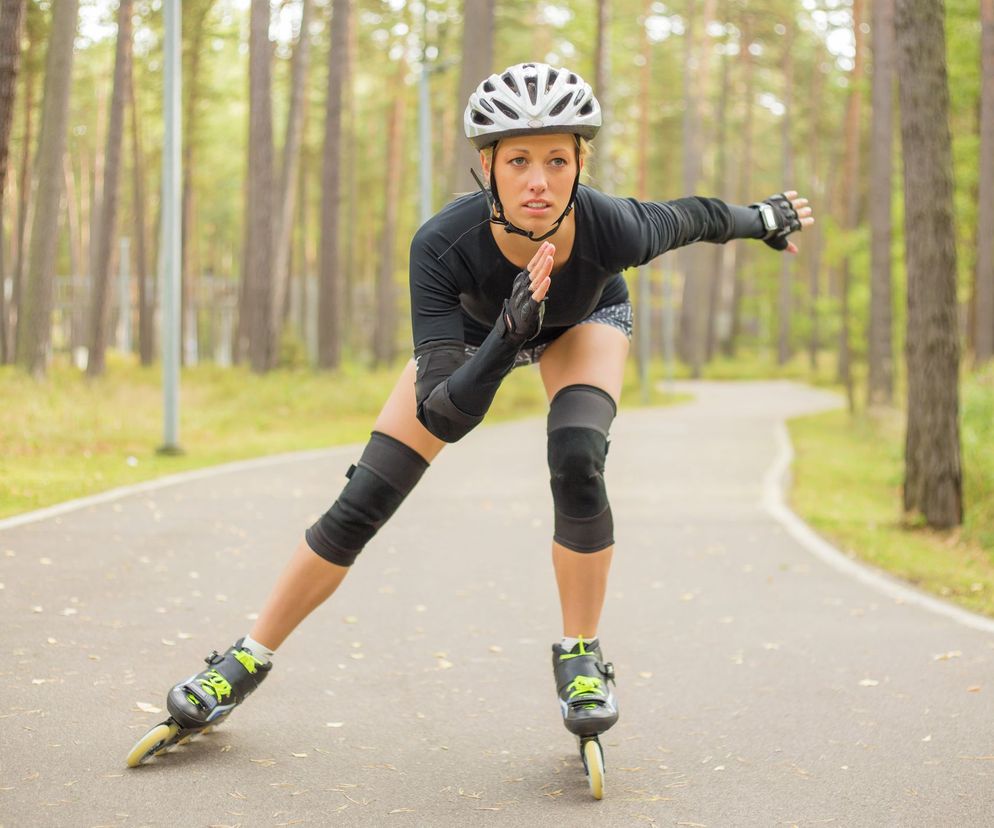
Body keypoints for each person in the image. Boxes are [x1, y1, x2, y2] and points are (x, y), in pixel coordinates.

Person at [137, 62, 813, 761]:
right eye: (518, 160)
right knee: (363, 498)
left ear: (582, 163)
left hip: (585, 317)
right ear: (486, 166)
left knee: (579, 458)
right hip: (474, 336)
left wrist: (762, 220)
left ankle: (581, 657)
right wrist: (506, 337)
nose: (538, 182)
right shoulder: (441, 245)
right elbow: (446, 415)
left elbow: (696, 217)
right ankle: (247, 658)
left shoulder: (614, 227)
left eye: (558, 159)